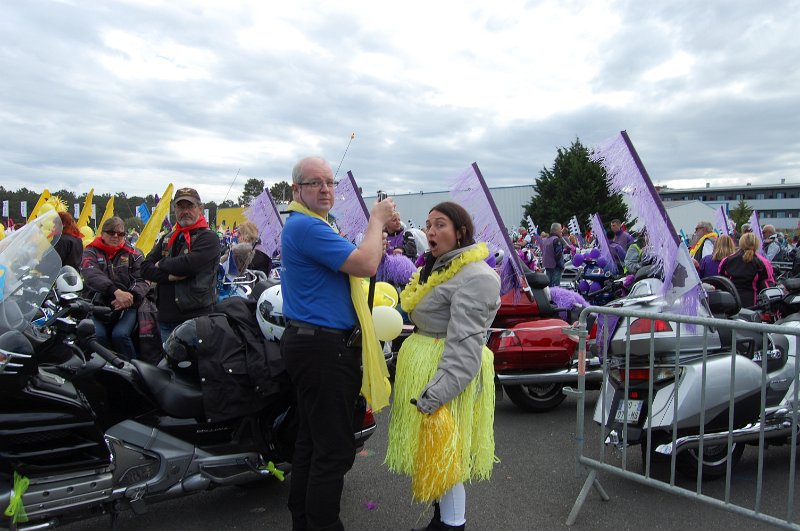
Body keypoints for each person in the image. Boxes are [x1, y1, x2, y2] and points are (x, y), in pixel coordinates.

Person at [280, 156, 394, 531]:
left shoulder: (308, 224)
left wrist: (374, 236)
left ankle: (305, 522)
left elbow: (359, 260)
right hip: (323, 350)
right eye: (315, 183)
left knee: (312, 444)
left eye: (330, 182)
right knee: (332, 451)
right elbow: (365, 264)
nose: (326, 189)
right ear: (296, 189)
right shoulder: (308, 226)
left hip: (314, 345)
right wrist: (376, 221)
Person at [386, 201, 500, 531]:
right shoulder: (438, 268)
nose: (431, 231)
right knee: (435, 453)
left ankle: (452, 526)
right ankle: (440, 521)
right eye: (428, 225)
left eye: (440, 225)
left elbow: (465, 347)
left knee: (447, 455)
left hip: (447, 373)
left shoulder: (476, 276)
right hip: (430, 367)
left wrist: (436, 393)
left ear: (461, 232)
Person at [141, 187, 221, 340]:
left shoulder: (209, 237)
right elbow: (145, 268)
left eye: (190, 206)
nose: (185, 211)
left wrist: (161, 264)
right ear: (174, 209)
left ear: (200, 209)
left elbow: (189, 265)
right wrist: (169, 277)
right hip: (165, 318)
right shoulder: (167, 238)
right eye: (180, 207)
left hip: (196, 320)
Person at [81, 216, 150, 360]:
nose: (116, 236)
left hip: (129, 305)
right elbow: (91, 275)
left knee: (120, 335)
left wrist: (130, 296)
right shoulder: (90, 252)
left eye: (120, 233)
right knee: (97, 335)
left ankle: (132, 367)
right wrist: (115, 292)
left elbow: (143, 279)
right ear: (102, 234)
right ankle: (105, 367)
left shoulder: (135, 254)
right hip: (98, 305)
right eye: (111, 232)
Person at [719, 232, 774, 308]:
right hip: (753, 304)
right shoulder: (762, 262)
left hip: (732, 302)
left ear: (741, 243)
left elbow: (722, 277)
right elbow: (767, 284)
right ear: (756, 244)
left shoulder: (727, 260)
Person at [542, 222, 565, 287]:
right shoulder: (556, 240)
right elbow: (558, 255)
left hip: (547, 266)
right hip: (555, 267)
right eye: (560, 230)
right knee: (555, 287)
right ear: (556, 230)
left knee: (548, 287)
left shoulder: (545, 240)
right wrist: (562, 266)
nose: (561, 232)